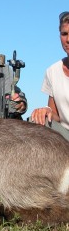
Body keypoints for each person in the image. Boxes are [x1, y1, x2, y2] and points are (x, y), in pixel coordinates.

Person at [30, 11, 69, 140]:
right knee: (35, 120)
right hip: (66, 135)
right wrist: (46, 111)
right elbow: (56, 115)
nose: (68, 39)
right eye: (64, 34)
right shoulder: (52, 71)